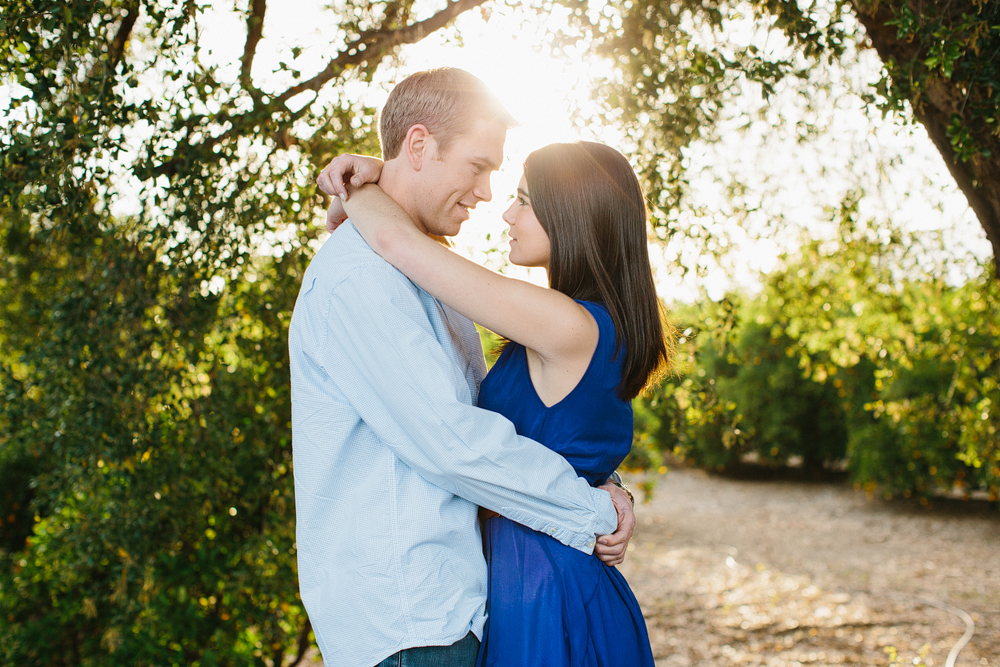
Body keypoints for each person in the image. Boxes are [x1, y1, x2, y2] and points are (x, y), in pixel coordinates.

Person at [288, 67, 636, 667]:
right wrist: (593, 508)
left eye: (511, 188)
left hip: (469, 605)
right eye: (478, 167)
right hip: (410, 619)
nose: (487, 197)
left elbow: (505, 425)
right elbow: (450, 442)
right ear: (419, 145)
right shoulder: (363, 276)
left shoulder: (429, 274)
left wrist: (364, 186)